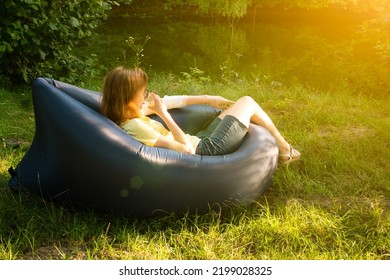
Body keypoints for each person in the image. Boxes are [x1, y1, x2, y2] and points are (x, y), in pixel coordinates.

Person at [101, 66, 300, 164]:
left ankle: (284, 148)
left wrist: (208, 97)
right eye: (141, 92)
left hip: (201, 140)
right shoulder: (134, 127)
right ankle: (284, 149)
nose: (145, 95)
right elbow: (187, 151)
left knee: (236, 106)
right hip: (206, 149)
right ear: (128, 97)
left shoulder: (131, 113)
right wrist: (164, 115)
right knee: (247, 102)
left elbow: (171, 101)